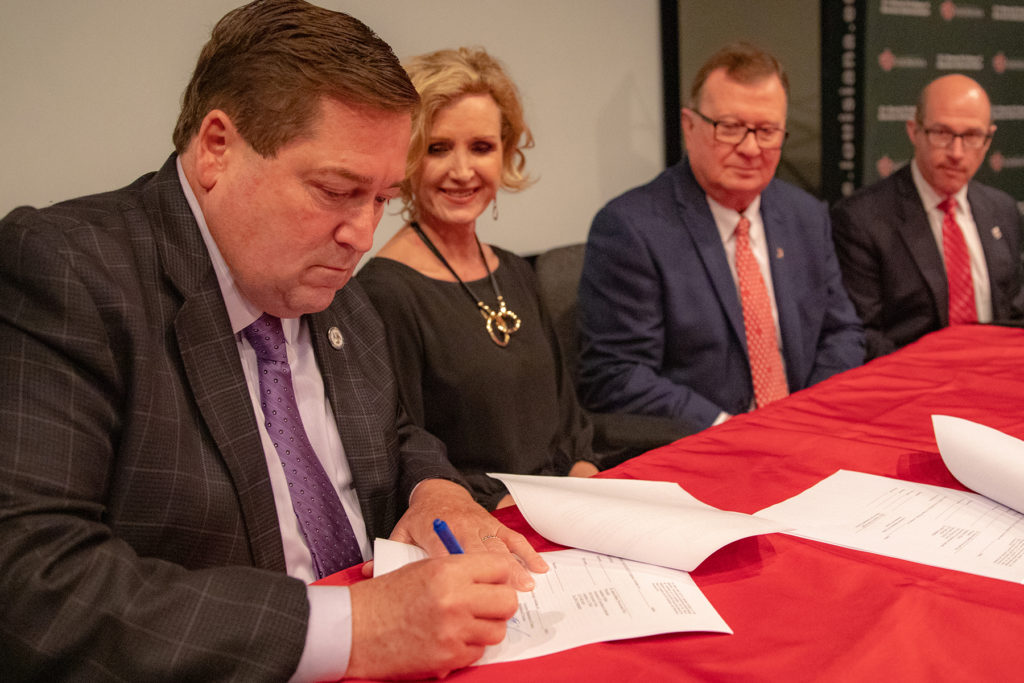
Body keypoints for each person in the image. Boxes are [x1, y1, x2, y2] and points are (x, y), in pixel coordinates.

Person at [0, 2, 547, 680]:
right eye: (336, 190)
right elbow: (33, 580)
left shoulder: (329, 276)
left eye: (381, 197)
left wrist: (435, 489)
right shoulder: (71, 270)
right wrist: (357, 627)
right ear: (217, 149)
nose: (362, 233)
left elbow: (396, 431)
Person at [356, 47, 601, 511]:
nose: (463, 171)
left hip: (565, 510)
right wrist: (508, 504)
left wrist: (583, 472)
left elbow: (567, 416)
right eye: (438, 148)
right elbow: (402, 455)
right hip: (480, 525)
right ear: (405, 156)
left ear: (505, 154)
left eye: (482, 148)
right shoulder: (384, 293)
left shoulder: (515, 270)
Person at [577, 42, 864, 432]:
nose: (750, 148)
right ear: (689, 126)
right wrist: (733, 429)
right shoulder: (631, 228)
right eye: (729, 128)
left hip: (806, 430)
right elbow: (617, 374)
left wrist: (807, 414)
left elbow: (841, 331)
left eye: (766, 131)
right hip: (702, 443)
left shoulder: (806, 216)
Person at [830, 74, 1024, 359]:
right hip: (910, 384)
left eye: (971, 136)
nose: (956, 153)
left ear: (987, 139)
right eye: (942, 133)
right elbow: (861, 334)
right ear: (914, 131)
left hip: (992, 378)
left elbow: (1014, 314)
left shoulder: (1002, 209)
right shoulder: (861, 219)